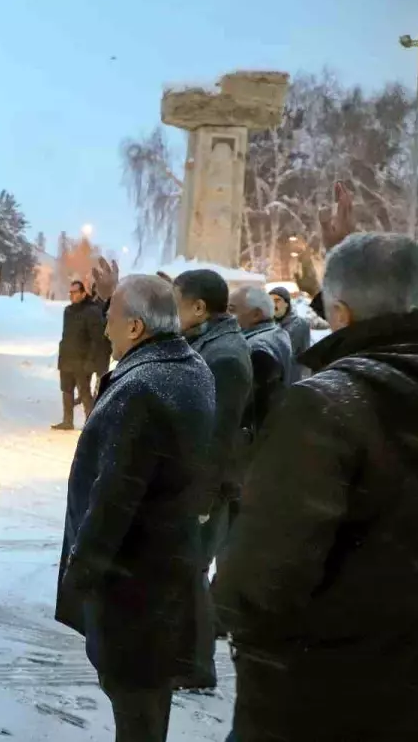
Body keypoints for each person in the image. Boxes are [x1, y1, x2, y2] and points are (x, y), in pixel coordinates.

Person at [214, 232, 418, 742]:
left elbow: (260, 577)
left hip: (326, 696)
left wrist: (228, 609)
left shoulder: (328, 406)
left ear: (342, 313)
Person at [55, 275, 216, 741]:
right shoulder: (190, 367)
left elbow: (116, 494)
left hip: (135, 581)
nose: (105, 328)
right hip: (163, 571)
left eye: (111, 319)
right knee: (145, 700)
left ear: (135, 328)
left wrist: (82, 571)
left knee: (135, 700)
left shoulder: (142, 387)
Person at [171, 269, 254, 689]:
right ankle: (185, 659)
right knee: (186, 573)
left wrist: (201, 499)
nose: (172, 311)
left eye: (176, 301)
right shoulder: (208, 340)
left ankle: (197, 667)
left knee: (192, 574)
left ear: (199, 307)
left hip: (209, 487)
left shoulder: (224, 355)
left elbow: (218, 435)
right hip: (200, 481)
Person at [228, 285, 292, 439]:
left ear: (256, 314)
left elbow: (253, 408)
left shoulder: (255, 349)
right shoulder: (277, 333)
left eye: (232, 309)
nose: (227, 315)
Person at [53, 280, 105, 430]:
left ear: (83, 293)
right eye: (70, 292)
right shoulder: (68, 311)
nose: (72, 295)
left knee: (84, 393)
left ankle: (91, 425)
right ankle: (67, 421)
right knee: (66, 390)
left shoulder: (92, 311)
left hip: (82, 361)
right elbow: (66, 335)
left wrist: (91, 361)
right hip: (67, 358)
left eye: (75, 292)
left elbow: (97, 339)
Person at [269, 286, 311, 381]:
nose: (273, 305)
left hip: (293, 380)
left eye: (277, 301)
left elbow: (305, 357)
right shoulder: (269, 324)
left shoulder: (300, 324)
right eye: (270, 301)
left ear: (286, 303)